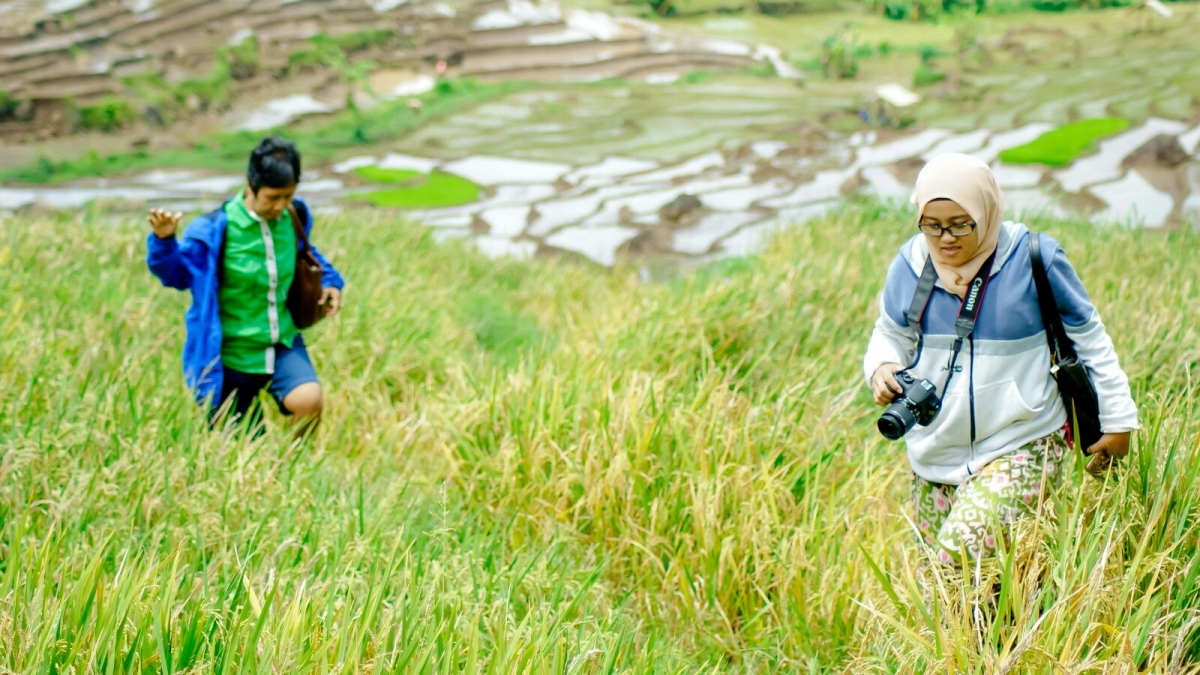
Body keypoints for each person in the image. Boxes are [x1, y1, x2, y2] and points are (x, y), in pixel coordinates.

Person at [862, 154, 1137, 565]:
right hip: (936, 450)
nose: (946, 239)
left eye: (960, 224)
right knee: (949, 581)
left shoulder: (1031, 259)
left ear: (986, 211)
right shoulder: (911, 265)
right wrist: (882, 366)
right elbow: (891, 332)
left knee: (956, 555)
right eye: (932, 226)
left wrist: (1117, 419)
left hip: (1023, 441)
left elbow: (1090, 338)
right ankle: (1010, 628)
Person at [146, 137, 345, 436]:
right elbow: (175, 275)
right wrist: (164, 241)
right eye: (273, 197)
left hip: (281, 343)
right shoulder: (214, 230)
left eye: (288, 196)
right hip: (231, 356)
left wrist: (330, 282)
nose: (280, 206)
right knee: (243, 448)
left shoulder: (294, 216)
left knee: (309, 400)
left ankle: (294, 467)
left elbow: (307, 254)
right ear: (251, 187)